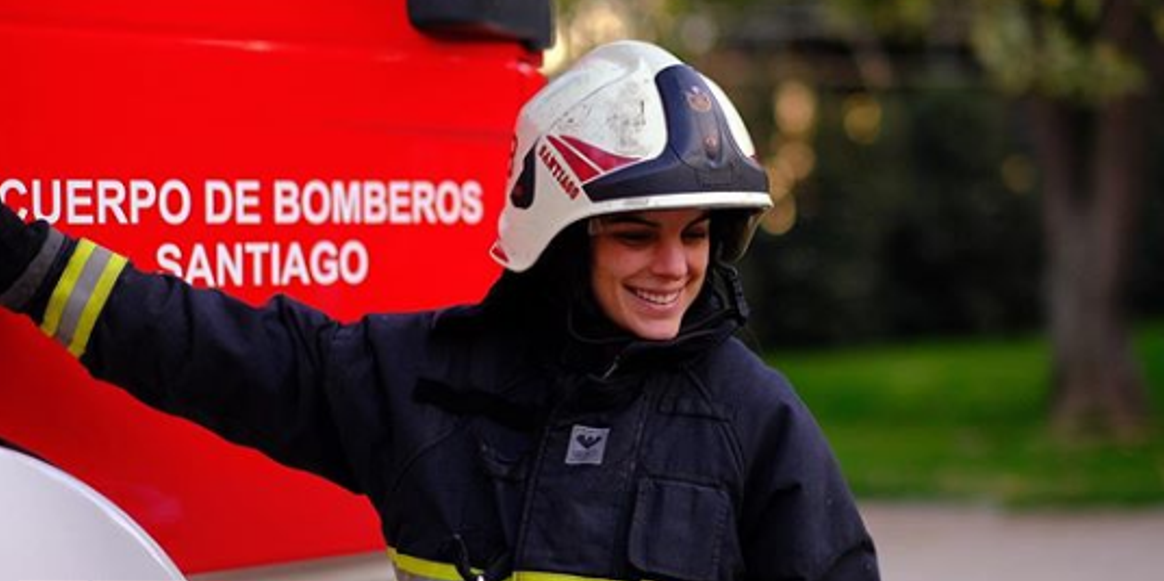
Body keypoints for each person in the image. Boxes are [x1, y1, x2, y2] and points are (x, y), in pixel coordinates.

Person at [0, 40, 878, 580]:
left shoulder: (749, 417)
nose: (673, 266)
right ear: (561, 238)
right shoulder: (423, 379)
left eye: (696, 235)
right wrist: (25, 265)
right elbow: (209, 351)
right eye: (636, 234)